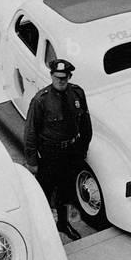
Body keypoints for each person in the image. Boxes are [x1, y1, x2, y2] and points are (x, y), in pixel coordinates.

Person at [24, 59, 93, 241]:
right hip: (49, 154)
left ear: (69, 76)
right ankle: (43, 230)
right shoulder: (41, 100)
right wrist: (32, 161)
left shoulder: (77, 93)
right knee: (44, 193)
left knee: (66, 190)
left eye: (64, 77)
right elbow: (30, 131)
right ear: (51, 76)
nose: (60, 81)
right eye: (57, 77)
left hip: (70, 152)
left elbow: (85, 124)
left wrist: (82, 149)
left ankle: (63, 223)